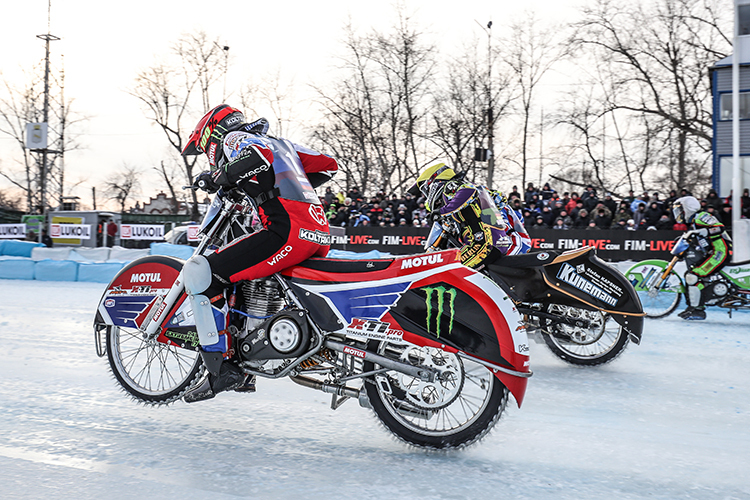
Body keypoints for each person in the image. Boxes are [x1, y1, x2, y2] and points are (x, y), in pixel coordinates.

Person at [180, 104, 338, 402]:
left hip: (286, 230)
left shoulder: (233, 139)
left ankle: (221, 369)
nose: (208, 158)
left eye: (203, 150)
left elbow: (256, 157)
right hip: (317, 232)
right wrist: (286, 179)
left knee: (203, 273)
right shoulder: (284, 146)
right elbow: (329, 165)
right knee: (247, 279)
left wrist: (218, 178)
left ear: (212, 134)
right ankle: (249, 369)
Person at [412, 163, 528, 269]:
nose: (426, 197)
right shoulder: (474, 197)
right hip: (496, 241)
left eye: (425, 192)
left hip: (484, 243)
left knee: (449, 269)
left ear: (432, 183)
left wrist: (442, 211)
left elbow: (468, 191)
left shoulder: (452, 186)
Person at [672, 196, 733, 320]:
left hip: (720, 251)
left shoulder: (701, 216)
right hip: (715, 252)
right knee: (690, 274)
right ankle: (693, 307)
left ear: (687, 208)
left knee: (694, 275)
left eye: (681, 210)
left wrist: (700, 232)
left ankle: (698, 310)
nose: (679, 214)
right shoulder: (693, 223)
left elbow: (719, 228)